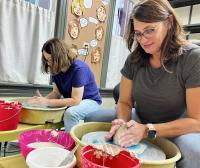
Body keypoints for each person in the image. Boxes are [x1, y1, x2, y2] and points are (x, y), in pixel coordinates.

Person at [84, 0, 200, 167]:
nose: (143, 40)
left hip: (177, 128)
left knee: (195, 153)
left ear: (169, 23)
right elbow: (124, 102)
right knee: (91, 118)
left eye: (150, 30)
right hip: (140, 119)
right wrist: (123, 123)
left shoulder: (193, 58)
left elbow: (196, 121)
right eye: (138, 33)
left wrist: (147, 130)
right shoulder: (134, 60)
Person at [28, 38, 102, 132]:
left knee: (71, 113)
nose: (48, 63)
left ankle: (70, 144)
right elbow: (56, 93)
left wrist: (47, 102)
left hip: (91, 101)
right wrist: (42, 101)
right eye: (46, 60)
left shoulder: (79, 68)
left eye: (50, 59)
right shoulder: (56, 69)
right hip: (73, 100)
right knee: (46, 108)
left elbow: (76, 100)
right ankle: (52, 136)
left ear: (60, 56)